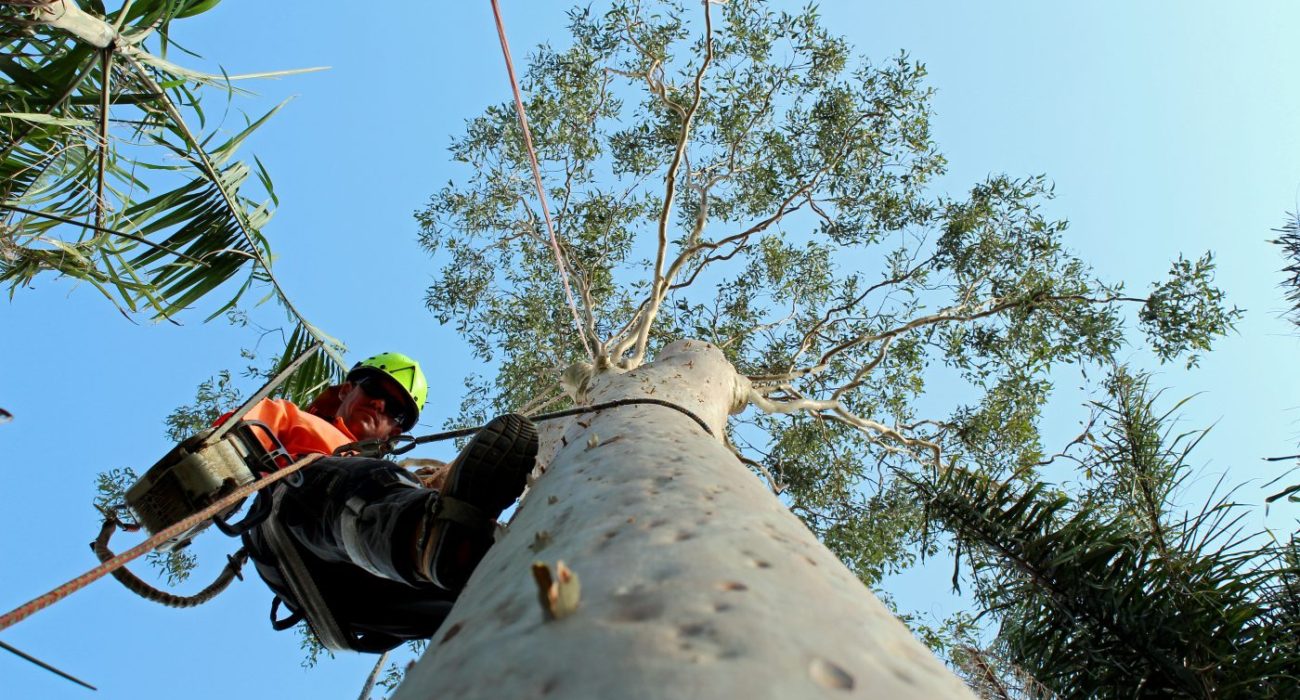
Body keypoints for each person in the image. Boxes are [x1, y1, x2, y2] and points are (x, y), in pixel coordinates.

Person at [229, 352, 538, 652]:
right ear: (347, 390)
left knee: (480, 602)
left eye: (395, 411)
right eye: (375, 389)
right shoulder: (294, 420)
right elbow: (229, 441)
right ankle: (424, 534)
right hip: (296, 540)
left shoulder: (388, 478)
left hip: (378, 589)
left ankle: (516, 607)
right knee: (356, 479)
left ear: (395, 431)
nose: (380, 404)